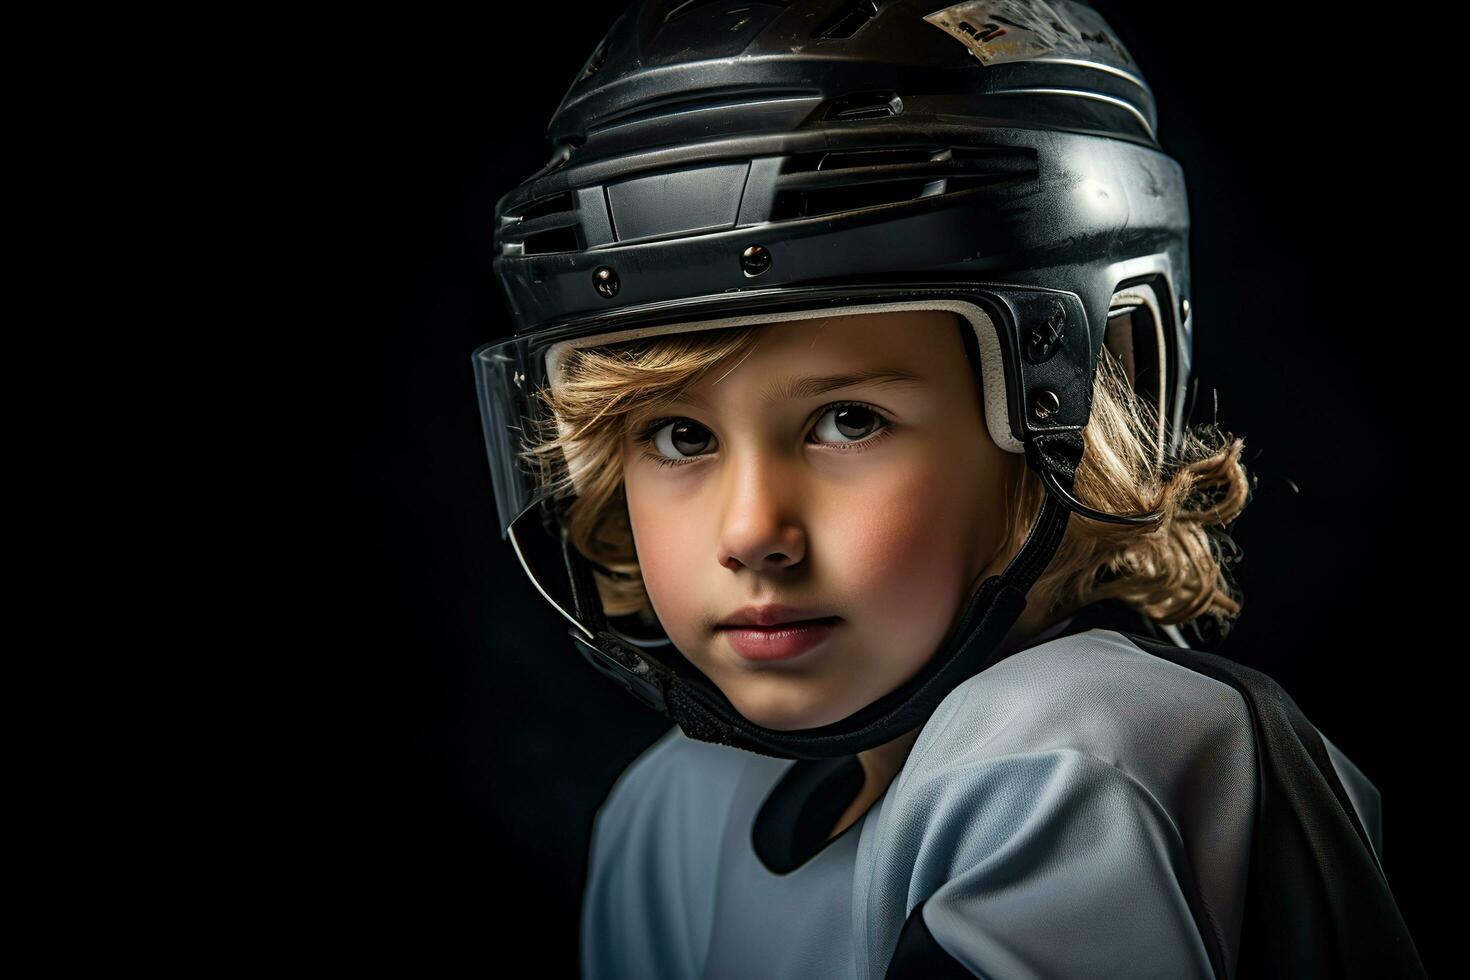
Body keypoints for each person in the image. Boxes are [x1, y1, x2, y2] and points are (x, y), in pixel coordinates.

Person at [470, 2, 1425, 976]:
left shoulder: (1075, 747)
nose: (754, 531)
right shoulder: (670, 809)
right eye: (679, 435)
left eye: (849, 420)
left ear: (1091, 400)